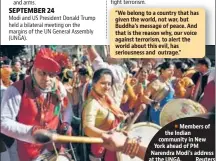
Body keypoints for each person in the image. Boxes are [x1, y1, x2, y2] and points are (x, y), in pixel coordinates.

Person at [1, 48, 73, 161]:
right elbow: (3, 122)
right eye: (42, 73)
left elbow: (67, 108)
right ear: (33, 70)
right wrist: (32, 132)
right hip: (27, 151)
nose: (47, 79)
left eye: (51, 75)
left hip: (54, 148)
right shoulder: (16, 90)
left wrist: (66, 122)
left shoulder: (58, 87)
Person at [82, 68, 125, 161]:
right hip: (100, 151)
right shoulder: (92, 103)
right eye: (103, 83)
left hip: (110, 147)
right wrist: (108, 135)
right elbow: (87, 129)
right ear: (94, 83)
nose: (107, 87)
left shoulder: (106, 99)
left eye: (109, 84)